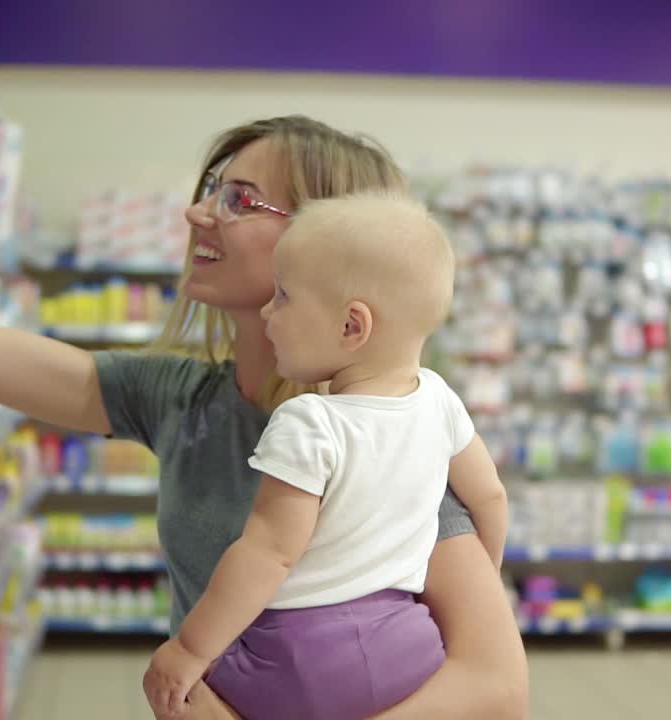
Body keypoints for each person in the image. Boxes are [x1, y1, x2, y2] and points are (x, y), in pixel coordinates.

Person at [0, 15, 529, 720]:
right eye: (212, 189)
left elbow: (496, 687)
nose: (198, 215)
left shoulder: (391, 443)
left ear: (328, 237)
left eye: (239, 199)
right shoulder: (181, 398)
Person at [141, 192, 508, 719]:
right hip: (408, 652)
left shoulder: (310, 421)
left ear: (351, 326)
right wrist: (482, 583)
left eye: (284, 296)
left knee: (188, 693)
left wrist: (190, 649)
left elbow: (269, 552)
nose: (268, 311)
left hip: (298, 660)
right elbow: (490, 499)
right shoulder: (440, 402)